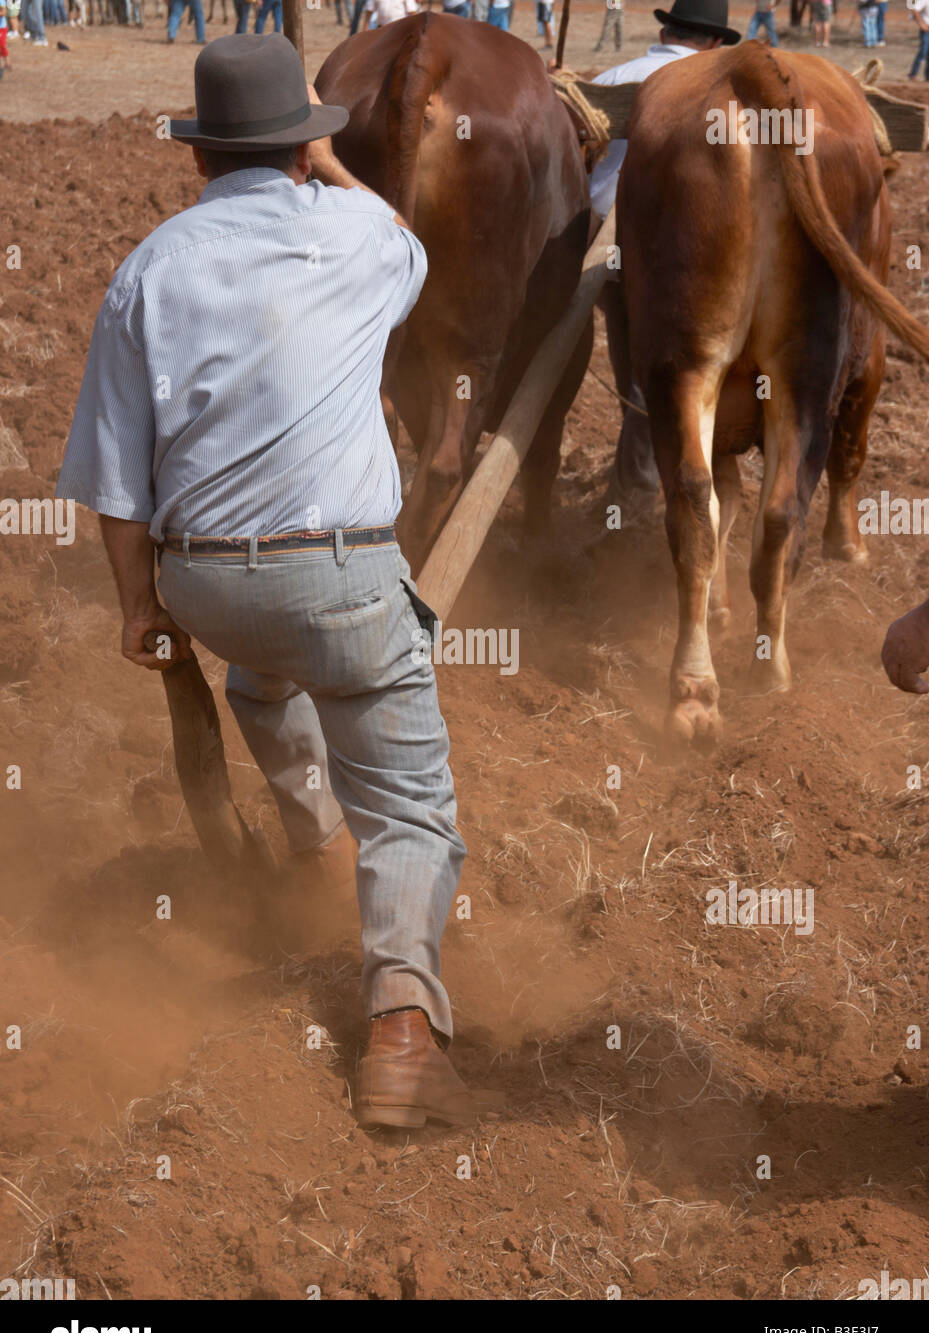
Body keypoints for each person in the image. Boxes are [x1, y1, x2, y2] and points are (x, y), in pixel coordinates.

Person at [56, 34, 500, 1131]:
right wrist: (331, 157)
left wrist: (140, 610)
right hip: (339, 579)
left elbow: (115, 486)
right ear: (304, 150)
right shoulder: (355, 235)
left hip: (205, 584)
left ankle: (308, 839)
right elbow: (405, 241)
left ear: (199, 158)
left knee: (261, 683)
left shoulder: (149, 268)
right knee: (407, 804)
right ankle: (399, 1027)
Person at [588, 0, 740, 516]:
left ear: (667, 27)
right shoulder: (725, 88)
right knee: (665, 377)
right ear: (715, 40)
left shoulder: (616, 76)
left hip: (608, 252)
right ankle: (646, 495)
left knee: (640, 369)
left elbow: (583, 153)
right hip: (703, 253)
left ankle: (637, 494)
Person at [908, 0, 929, 78]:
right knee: (923, 52)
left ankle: (927, 76)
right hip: (927, 30)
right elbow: (914, 10)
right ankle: (913, 74)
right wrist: (922, 24)